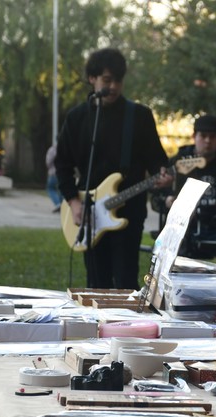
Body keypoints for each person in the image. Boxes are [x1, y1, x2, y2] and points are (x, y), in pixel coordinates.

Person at [56, 47, 172, 289]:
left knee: (126, 282)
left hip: (130, 214)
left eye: (118, 81)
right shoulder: (77, 118)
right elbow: (62, 164)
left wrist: (163, 175)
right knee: (95, 283)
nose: (114, 87)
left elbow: (157, 160)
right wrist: (74, 203)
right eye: (107, 80)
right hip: (88, 213)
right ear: (92, 79)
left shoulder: (139, 116)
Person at [164, 114, 216, 254]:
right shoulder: (177, 162)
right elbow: (159, 191)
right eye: (203, 135)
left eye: (213, 136)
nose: (208, 141)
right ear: (194, 136)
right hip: (185, 230)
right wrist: (167, 200)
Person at [45, 144, 62, 212]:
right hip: (62, 173)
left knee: (50, 188)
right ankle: (62, 205)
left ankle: (58, 203)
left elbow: (48, 162)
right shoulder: (65, 148)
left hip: (53, 173)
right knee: (61, 189)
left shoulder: (53, 149)